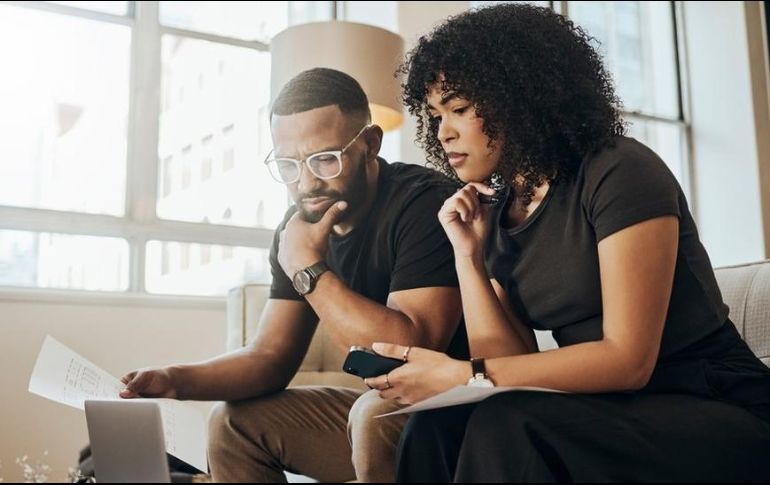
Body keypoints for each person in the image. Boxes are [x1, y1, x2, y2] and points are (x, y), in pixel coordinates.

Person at [364, 4, 770, 482]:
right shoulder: (495, 213)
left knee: (509, 425)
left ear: (518, 96)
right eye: (435, 115)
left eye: (459, 109)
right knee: (436, 427)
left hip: (715, 404)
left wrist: (460, 374)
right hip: (608, 410)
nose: (443, 131)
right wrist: (467, 257)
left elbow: (628, 360)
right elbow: (511, 369)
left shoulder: (619, 170)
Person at [119, 68, 467, 483]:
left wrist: (308, 267)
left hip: (458, 410)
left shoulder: (423, 203)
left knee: (371, 413)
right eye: (288, 164)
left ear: (370, 144)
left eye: (325, 159)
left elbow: (406, 352)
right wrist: (176, 379)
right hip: (383, 414)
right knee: (232, 423)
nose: (305, 182)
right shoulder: (297, 230)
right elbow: (268, 358)